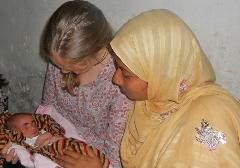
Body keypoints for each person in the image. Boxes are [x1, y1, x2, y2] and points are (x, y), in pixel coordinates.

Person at [108, 9, 240, 167]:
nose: (115, 79)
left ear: (162, 74)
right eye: (117, 68)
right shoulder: (150, 103)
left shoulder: (211, 114)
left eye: (127, 75)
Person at [41, 0, 132, 168]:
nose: (63, 72)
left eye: (71, 67)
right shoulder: (60, 61)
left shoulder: (119, 81)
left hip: (93, 159)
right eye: (59, 66)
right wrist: (36, 135)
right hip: (56, 144)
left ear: (93, 52)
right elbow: (48, 110)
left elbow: (116, 155)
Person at [1, 112, 110, 168]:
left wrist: (53, 136)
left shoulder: (45, 131)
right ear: (16, 132)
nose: (33, 127)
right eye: (26, 126)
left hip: (65, 148)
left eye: (33, 123)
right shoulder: (22, 144)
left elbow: (57, 130)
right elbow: (27, 158)